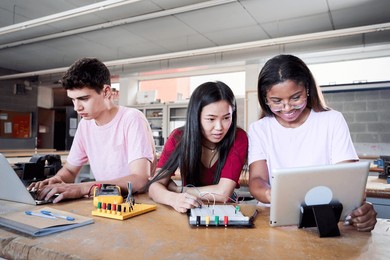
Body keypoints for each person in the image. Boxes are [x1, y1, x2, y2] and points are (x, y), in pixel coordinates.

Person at [248, 54, 377, 232]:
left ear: (307, 89)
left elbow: (348, 179)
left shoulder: (332, 120)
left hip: (325, 218)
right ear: (265, 98)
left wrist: (360, 208)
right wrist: (274, 195)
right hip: (276, 221)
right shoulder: (259, 129)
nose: (287, 108)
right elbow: (257, 180)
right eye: (277, 101)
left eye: (295, 98)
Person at [28, 57, 155, 203]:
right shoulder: (85, 125)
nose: (77, 107)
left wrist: (82, 188)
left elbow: (139, 180)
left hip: (136, 203)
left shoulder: (131, 118)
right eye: (73, 100)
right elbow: (70, 170)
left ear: (106, 92)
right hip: (105, 201)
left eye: (84, 98)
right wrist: (56, 180)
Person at [147, 81, 248, 213]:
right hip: (187, 209)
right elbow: (154, 186)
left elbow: (223, 193)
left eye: (226, 118)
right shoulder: (178, 137)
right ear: (196, 116)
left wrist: (178, 189)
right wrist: (173, 199)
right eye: (211, 119)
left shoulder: (238, 137)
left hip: (224, 213)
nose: (219, 127)